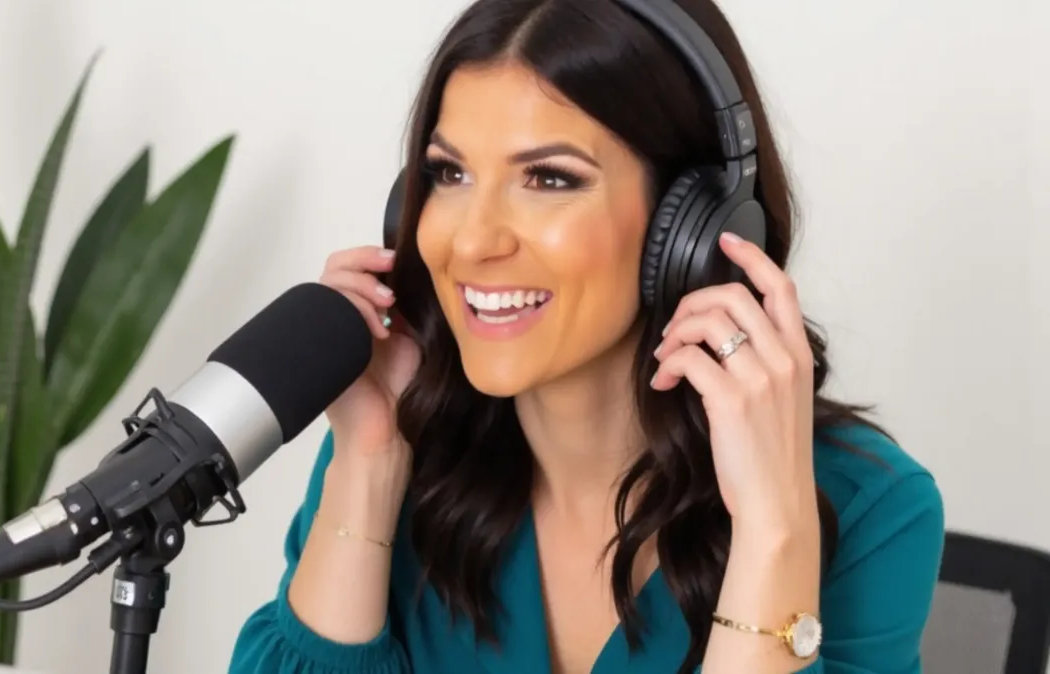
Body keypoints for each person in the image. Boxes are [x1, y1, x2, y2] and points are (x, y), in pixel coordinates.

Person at [228, 0, 945, 672]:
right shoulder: (402, 448)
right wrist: (369, 463)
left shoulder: (865, 507)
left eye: (548, 179)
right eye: (448, 173)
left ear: (694, 227)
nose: (471, 241)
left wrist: (773, 531)